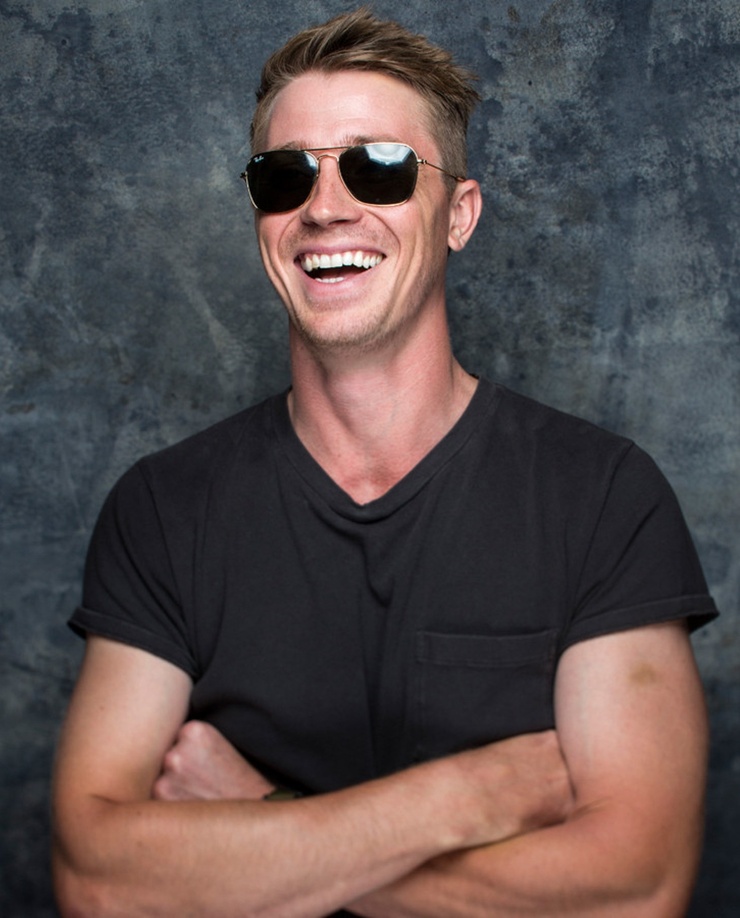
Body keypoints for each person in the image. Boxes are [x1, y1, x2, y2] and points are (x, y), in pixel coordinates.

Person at [52, 9, 718, 917]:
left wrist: (260, 815)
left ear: (459, 216)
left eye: (381, 167)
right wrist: (461, 798)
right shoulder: (164, 508)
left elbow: (634, 890)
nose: (325, 207)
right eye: (285, 176)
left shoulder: (602, 498)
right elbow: (100, 881)